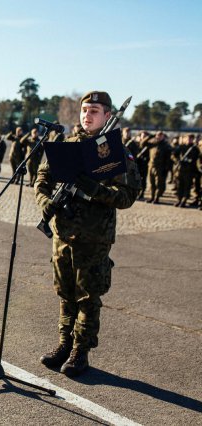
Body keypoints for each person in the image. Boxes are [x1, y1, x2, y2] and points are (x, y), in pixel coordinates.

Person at [34, 91, 140, 377]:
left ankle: (81, 352)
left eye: (94, 110)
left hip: (93, 238)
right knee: (65, 294)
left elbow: (128, 196)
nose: (87, 115)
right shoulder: (65, 145)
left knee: (88, 297)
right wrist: (45, 202)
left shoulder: (115, 152)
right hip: (62, 234)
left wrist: (95, 190)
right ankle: (64, 344)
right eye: (84, 110)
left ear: (107, 116)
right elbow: (42, 178)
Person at [173, 133, 200, 207]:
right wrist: (177, 160)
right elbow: (173, 155)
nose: (189, 140)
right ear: (184, 139)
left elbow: (197, 159)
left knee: (187, 187)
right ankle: (179, 200)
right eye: (187, 138)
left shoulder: (195, 149)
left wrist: (190, 161)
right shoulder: (181, 147)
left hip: (189, 171)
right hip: (180, 170)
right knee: (179, 186)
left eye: (191, 139)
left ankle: (184, 201)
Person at [145, 131, 170, 204]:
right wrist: (151, 136)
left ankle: (156, 198)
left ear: (163, 137)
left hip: (160, 168)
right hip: (151, 166)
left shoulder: (166, 146)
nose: (159, 137)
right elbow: (143, 143)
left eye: (160, 135)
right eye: (158, 135)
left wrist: (166, 169)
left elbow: (168, 159)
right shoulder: (153, 144)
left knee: (158, 184)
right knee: (151, 183)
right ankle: (152, 197)